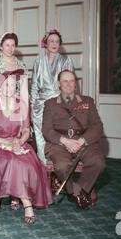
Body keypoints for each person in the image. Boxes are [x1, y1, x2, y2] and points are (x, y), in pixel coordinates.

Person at [0, 70, 53, 224]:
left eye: (13, 85)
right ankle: (27, 204)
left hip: (18, 142)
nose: (9, 88)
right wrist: (5, 142)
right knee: (12, 161)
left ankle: (16, 194)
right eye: (6, 85)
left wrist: (20, 141)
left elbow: (27, 130)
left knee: (26, 162)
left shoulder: (21, 104)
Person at [42, 70, 105, 209]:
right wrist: (65, 141)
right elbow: (47, 130)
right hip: (59, 143)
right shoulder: (50, 104)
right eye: (65, 81)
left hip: (83, 141)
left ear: (75, 84)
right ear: (59, 84)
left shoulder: (87, 101)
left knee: (98, 162)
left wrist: (82, 140)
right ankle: (77, 192)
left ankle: (81, 189)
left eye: (71, 80)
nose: (68, 84)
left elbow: (97, 126)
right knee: (62, 166)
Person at [31, 29, 74, 164]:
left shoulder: (66, 60)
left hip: (59, 104)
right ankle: (43, 169)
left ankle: (57, 170)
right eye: (51, 41)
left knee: (57, 137)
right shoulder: (38, 61)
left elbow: (69, 86)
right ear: (45, 43)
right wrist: (32, 106)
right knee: (40, 137)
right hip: (40, 106)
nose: (54, 44)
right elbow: (34, 86)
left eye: (57, 41)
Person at [0, 32, 28, 99]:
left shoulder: (21, 66)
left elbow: (24, 92)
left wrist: (25, 108)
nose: (10, 48)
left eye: (13, 45)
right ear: (1, 47)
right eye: (7, 45)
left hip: (18, 105)